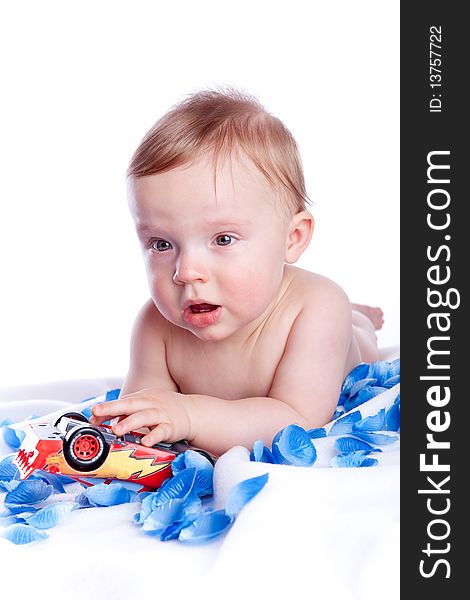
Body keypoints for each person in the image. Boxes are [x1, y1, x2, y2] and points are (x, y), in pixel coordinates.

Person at [91, 88, 384, 455]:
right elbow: (146, 414)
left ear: (292, 238)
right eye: (162, 244)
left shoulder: (315, 309)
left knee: (358, 334)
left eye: (223, 239)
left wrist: (189, 413)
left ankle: (360, 319)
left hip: (335, 344)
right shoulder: (155, 325)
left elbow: (299, 418)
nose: (187, 272)